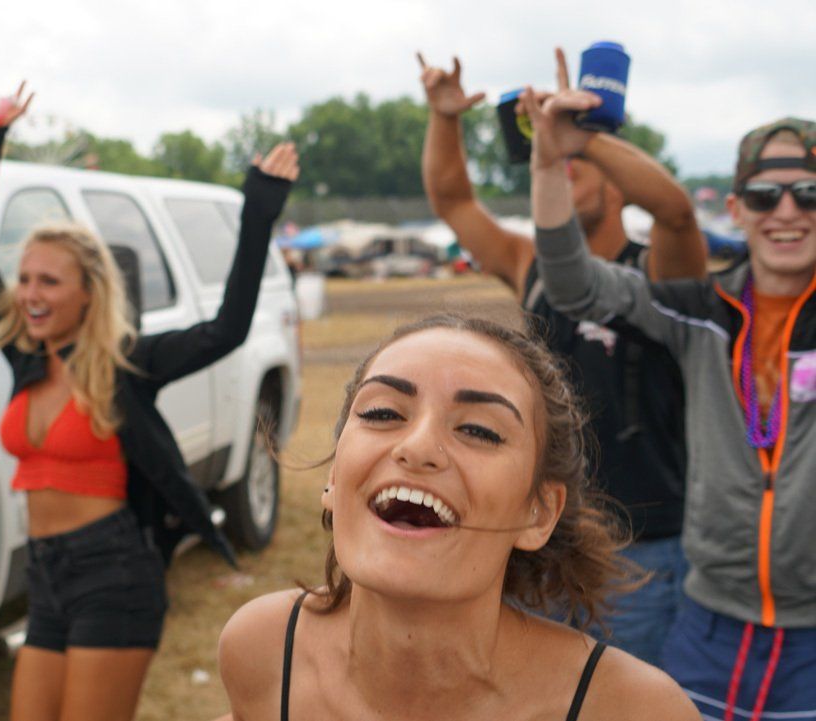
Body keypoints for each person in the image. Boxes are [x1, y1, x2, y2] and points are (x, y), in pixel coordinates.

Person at [0, 85, 299, 721]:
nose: (28, 293)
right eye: (24, 278)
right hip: (46, 575)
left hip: (114, 572)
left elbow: (227, 330)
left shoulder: (127, 363)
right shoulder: (27, 358)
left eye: (48, 281)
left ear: (88, 293)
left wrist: (258, 215)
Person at [219, 313, 699, 721]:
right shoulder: (262, 649)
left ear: (539, 513)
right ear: (333, 479)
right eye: (383, 413)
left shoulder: (630, 709)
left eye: (478, 430)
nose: (418, 447)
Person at [525, 72, 816, 718]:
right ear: (737, 209)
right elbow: (572, 285)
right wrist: (552, 158)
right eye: (766, 195)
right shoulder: (700, 314)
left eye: (809, 195)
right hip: (706, 625)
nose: (788, 212)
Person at [417, 50, 707, 666]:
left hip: (646, 548)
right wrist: (445, 119)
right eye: (555, 166)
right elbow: (453, 201)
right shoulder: (533, 265)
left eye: (580, 165)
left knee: (634, 700)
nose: (563, 172)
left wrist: (584, 138)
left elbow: (676, 211)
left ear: (614, 176)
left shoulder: (660, 272)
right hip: (545, 532)